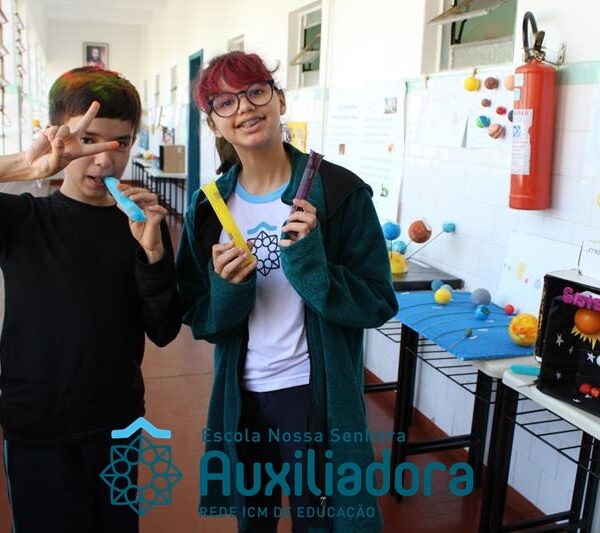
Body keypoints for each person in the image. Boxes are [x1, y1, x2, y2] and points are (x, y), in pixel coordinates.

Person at [177, 51, 398, 532]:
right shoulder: (208, 207)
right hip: (242, 397)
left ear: (279, 100)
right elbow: (199, 315)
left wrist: (312, 265)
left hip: (312, 396)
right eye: (225, 102)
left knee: (319, 522)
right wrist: (227, 289)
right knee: (253, 521)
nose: (244, 108)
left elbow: (377, 301)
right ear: (214, 123)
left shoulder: (339, 192)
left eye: (255, 92)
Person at [0, 66, 181, 532]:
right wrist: (23, 165)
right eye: (88, 140)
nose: (103, 160)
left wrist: (154, 256)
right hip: (38, 428)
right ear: (57, 136)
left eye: (120, 143)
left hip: (118, 425)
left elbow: (164, 331)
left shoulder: (141, 225)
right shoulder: (22, 219)